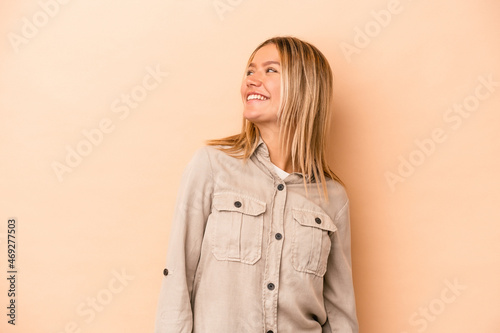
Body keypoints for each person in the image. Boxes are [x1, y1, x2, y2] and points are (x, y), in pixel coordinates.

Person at [154, 36, 359, 333]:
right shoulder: (212, 166)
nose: (252, 80)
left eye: (270, 70)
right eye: (250, 71)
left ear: (304, 87)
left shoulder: (333, 198)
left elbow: (340, 313)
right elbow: (177, 275)